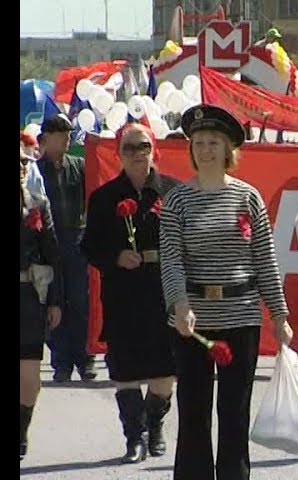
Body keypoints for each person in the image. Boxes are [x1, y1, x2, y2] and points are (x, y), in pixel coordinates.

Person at [159, 104, 294, 480]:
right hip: (193, 323)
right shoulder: (177, 200)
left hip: (241, 316)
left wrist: (280, 316)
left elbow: (265, 258)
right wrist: (180, 303)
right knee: (194, 412)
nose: (205, 149)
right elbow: (171, 258)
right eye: (199, 142)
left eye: (213, 142)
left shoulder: (248, 197)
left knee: (234, 414)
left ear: (228, 149)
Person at [80, 123, 179, 464]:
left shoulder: (173, 192)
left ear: (154, 149)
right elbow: (89, 247)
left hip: (164, 292)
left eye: (143, 146)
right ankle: (133, 436)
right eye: (129, 148)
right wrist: (115, 257)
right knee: (124, 369)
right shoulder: (104, 197)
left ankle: (155, 423)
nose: (137, 154)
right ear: (119, 154)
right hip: (122, 295)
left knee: (166, 370)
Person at [37, 114, 97, 382]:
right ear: (46, 138)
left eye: (68, 133)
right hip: (48, 244)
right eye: (60, 134)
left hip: (77, 241)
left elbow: (93, 199)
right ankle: (61, 362)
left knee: (81, 301)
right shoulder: (36, 171)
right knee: (54, 303)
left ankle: (85, 359)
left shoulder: (80, 166)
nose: (66, 139)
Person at [20, 157, 62, 461]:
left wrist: (56, 301)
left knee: (29, 378)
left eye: (22, 164)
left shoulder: (38, 205)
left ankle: (21, 427)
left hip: (28, 297)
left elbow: (53, 255)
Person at [20, 131, 46, 196]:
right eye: (35, 149)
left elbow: (41, 200)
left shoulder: (32, 166)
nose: (21, 167)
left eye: (24, 162)